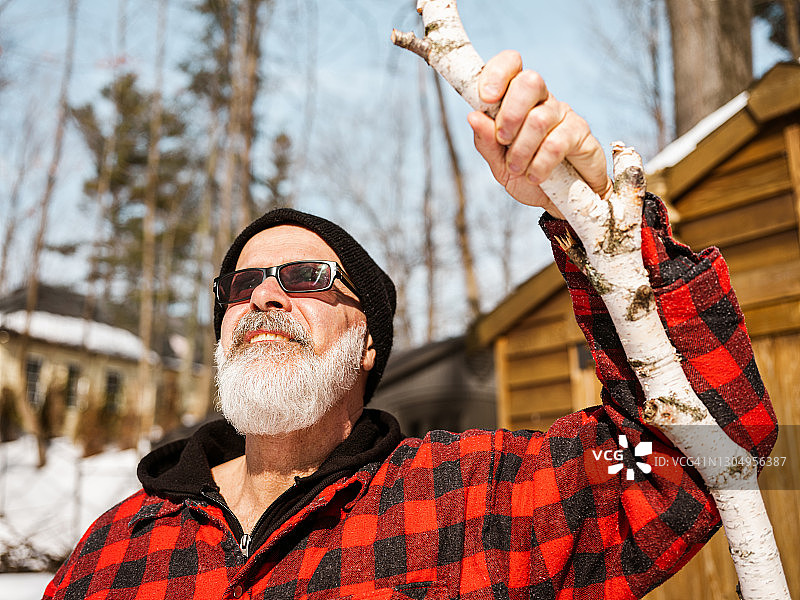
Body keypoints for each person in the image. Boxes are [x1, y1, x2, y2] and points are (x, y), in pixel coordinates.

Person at [43, 51, 776, 600]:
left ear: (368, 344)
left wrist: (603, 233)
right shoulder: (113, 548)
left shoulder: (474, 501)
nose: (265, 295)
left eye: (305, 278)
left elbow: (699, 455)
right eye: (242, 285)